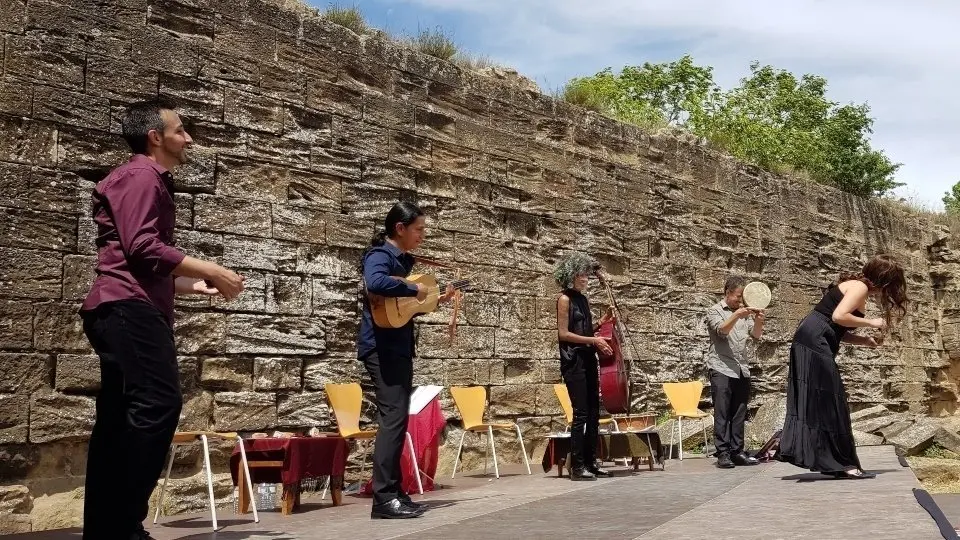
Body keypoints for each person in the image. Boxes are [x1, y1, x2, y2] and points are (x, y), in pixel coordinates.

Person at [80, 98, 245, 540]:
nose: (188, 138)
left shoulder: (139, 177)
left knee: (118, 419)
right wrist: (208, 268)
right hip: (128, 310)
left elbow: (133, 260)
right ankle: (122, 523)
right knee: (158, 405)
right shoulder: (142, 175)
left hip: (119, 304)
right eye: (180, 131)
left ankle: (107, 528)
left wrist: (191, 285)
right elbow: (142, 247)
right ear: (156, 137)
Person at [358, 201, 455, 519]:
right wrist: (412, 287)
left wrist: (436, 299)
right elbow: (375, 283)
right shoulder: (380, 256)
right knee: (393, 420)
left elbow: (405, 306)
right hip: (381, 349)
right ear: (399, 228)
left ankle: (395, 491)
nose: (422, 236)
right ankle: (384, 499)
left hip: (398, 348)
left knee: (398, 423)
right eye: (418, 230)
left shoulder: (403, 261)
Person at [778, 254, 907, 479]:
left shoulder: (858, 287)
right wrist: (871, 322)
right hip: (813, 342)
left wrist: (864, 340)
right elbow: (839, 316)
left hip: (812, 338)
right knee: (832, 401)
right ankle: (841, 463)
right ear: (885, 281)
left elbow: (835, 327)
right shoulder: (859, 287)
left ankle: (835, 462)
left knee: (826, 401)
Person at [554, 252, 615, 481]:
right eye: (581, 274)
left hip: (588, 358)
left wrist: (603, 322)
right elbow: (563, 334)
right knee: (580, 414)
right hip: (574, 361)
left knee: (593, 413)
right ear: (570, 275)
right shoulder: (564, 299)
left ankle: (591, 462)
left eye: (586, 275)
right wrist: (594, 340)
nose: (585, 278)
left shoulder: (583, 299)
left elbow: (585, 331)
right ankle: (577, 467)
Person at [704, 276, 765, 469]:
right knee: (722, 412)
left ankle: (737, 451)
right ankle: (722, 452)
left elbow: (755, 336)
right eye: (737, 297)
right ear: (727, 292)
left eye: (741, 298)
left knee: (739, 412)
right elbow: (721, 330)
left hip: (741, 368)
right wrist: (737, 315)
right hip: (721, 366)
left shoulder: (744, 313)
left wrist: (759, 321)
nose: (740, 301)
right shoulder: (714, 311)